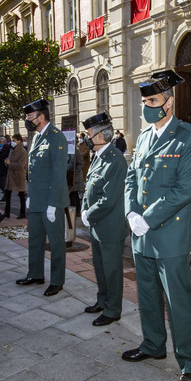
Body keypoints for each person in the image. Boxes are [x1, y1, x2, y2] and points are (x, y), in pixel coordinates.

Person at [123, 70, 191, 381]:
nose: (147, 107)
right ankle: (153, 343)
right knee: (147, 295)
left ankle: (190, 363)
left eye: (153, 101)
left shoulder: (188, 136)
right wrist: (131, 211)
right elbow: (132, 178)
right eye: (144, 102)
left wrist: (149, 217)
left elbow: (184, 189)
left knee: (178, 300)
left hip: (169, 234)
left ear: (169, 102)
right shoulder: (144, 137)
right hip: (141, 233)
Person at [16, 98, 68, 296]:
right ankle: (35, 274)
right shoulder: (36, 137)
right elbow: (35, 171)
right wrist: (30, 195)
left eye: (30, 116)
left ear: (41, 116)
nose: (28, 119)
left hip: (51, 201)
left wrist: (54, 204)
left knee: (55, 243)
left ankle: (57, 280)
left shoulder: (56, 137)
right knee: (35, 240)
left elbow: (58, 174)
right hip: (37, 199)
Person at [80, 112, 127, 326]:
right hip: (98, 224)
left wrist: (88, 215)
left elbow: (108, 198)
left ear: (100, 136)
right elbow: (89, 188)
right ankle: (103, 300)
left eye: (89, 134)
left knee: (112, 270)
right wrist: (83, 209)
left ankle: (113, 309)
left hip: (109, 225)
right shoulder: (98, 156)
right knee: (100, 268)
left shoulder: (115, 160)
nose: (86, 138)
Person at [4, 133, 28, 219]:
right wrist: (7, 162)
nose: (12, 142)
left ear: (19, 141)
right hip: (11, 174)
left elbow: (21, 165)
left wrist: (10, 164)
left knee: (21, 194)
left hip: (19, 175)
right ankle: (7, 212)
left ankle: (22, 213)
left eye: (14, 140)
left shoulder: (23, 151)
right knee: (8, 193)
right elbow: (10, 161)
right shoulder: (12, 149)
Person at [0, 136, 10, 202]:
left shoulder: (6, 148)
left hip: (3, 168)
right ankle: (5, 194)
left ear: (4, 142)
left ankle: (6, 196)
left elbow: (2, 156)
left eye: (0, 142)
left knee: (3, 183)